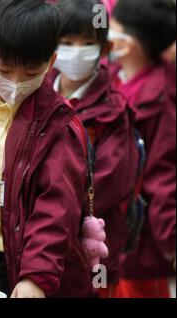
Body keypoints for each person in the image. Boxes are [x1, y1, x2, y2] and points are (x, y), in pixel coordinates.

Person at [0, 0, 95, 298]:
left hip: (25, 267)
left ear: (50, 64)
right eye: (5, 68)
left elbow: (56, 208)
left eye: (29, 73)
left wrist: (36, 278)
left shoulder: (58, 123)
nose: (15, 82)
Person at [50, 0, 139, 297]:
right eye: (66, 41)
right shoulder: (38, 97)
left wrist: (54, 205)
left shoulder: (114, 110)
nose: (76, 50)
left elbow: (111, 181)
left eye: (87, 42)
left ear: (103, 49)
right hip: (43, 242)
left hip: (95, 247)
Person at [109, 0, 176, 298]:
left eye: (113, 28)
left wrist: (171, 242)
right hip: (111, 234)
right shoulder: (111, 78)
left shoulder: (160, 101)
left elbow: (163, 176)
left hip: (140, 242)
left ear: (128, 44)